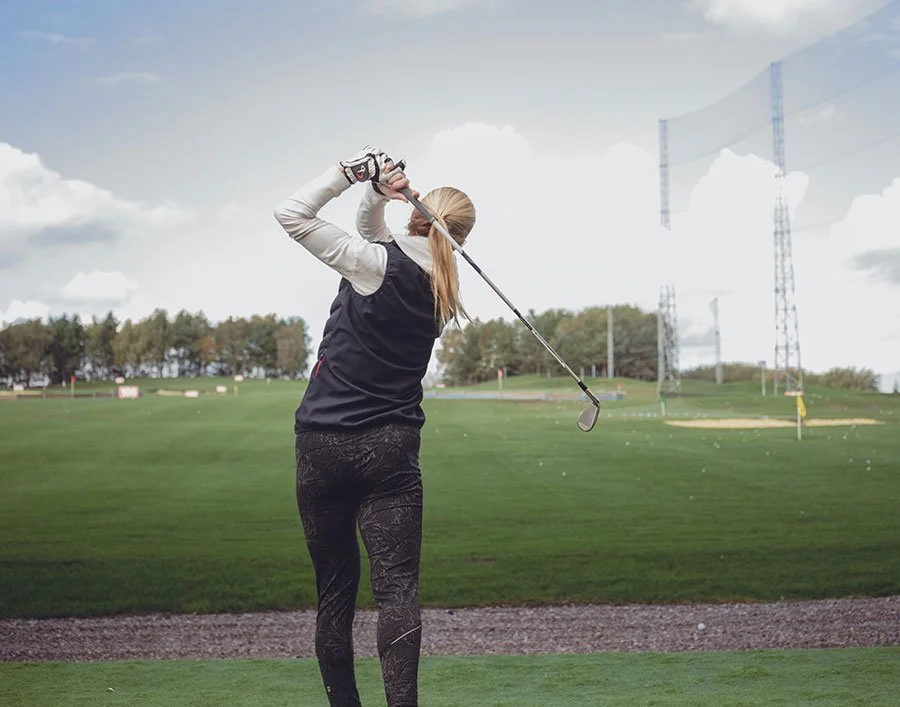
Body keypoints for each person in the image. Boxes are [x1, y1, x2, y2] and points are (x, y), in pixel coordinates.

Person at [273, 146, 476, 707]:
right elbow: (376, 237)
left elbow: (292, 214)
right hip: (391, 450)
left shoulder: (373, 264)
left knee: (336, 595)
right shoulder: (444, 287)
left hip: (322, 445)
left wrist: (347, 174)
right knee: (397, 593)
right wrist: (376, 192)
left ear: (417, 212)